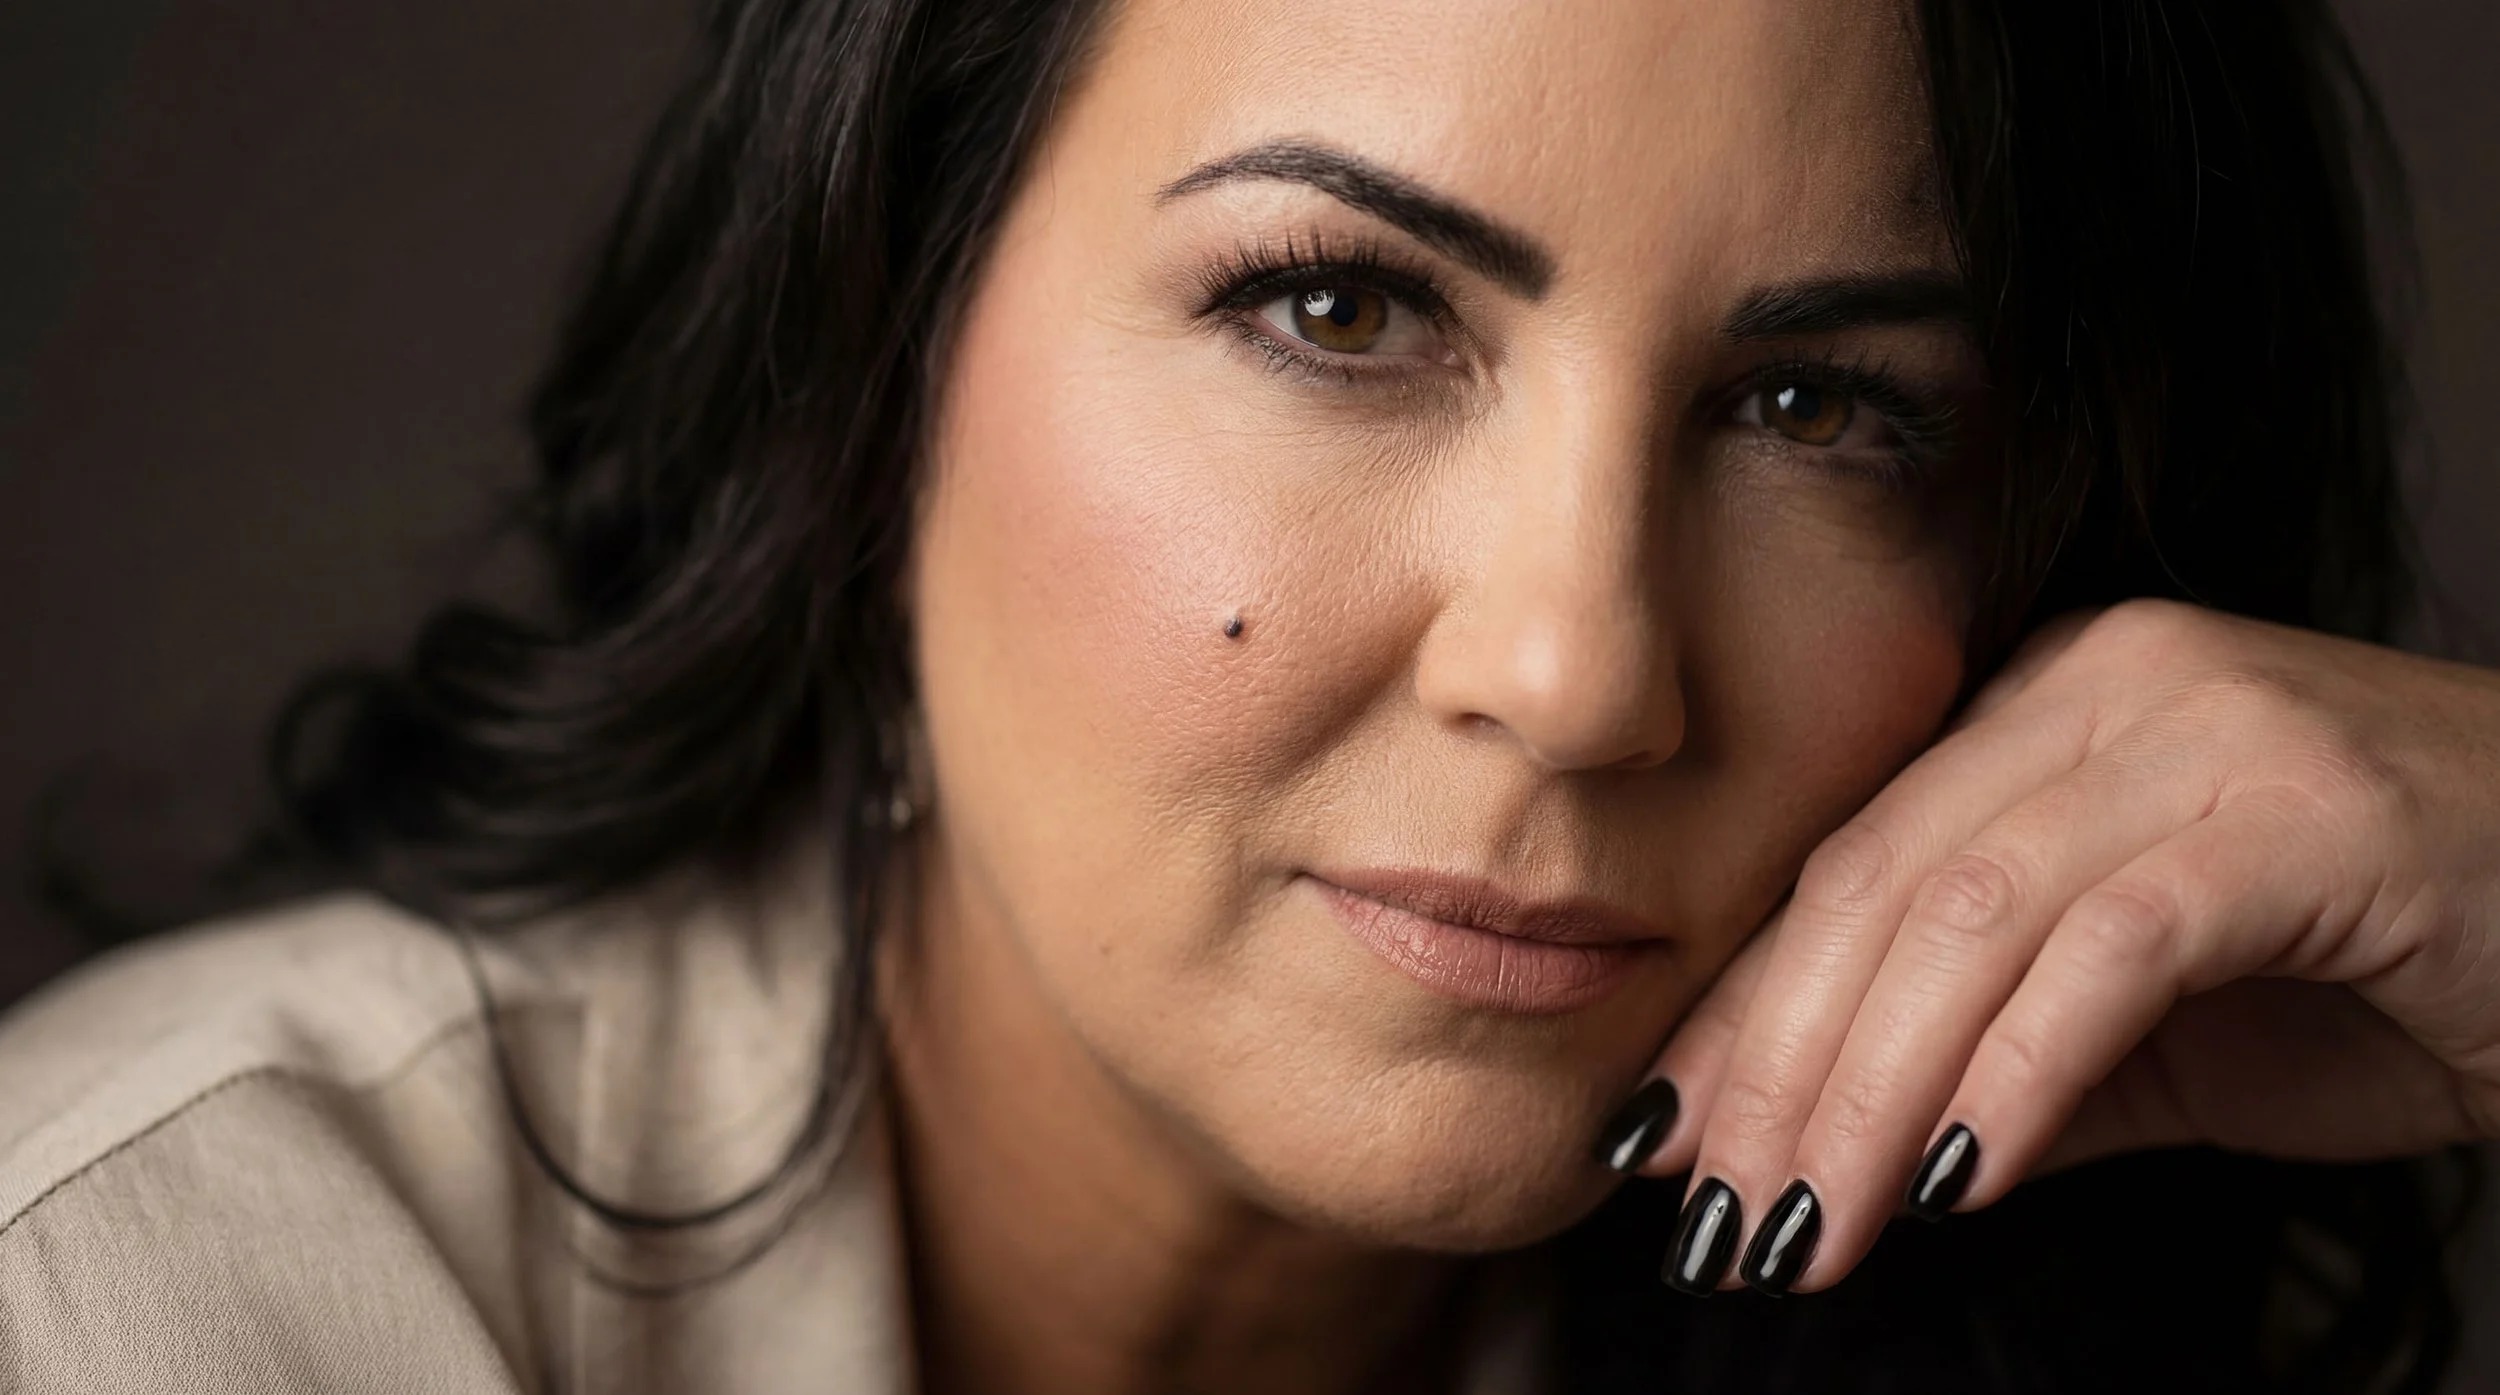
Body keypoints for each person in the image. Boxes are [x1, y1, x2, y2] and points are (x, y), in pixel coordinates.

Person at [0, 0, 2489, 1390]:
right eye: (1340, 307)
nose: (1579, 670)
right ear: (876, 368)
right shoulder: (156, 1297)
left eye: (1817, 412)